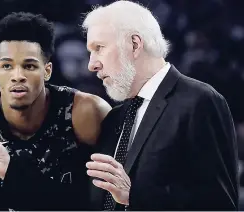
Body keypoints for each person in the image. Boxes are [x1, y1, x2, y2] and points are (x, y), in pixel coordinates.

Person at [82, 1, 239, 210]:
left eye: (99, 48)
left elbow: (220, 205)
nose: (91, 64)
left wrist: (134, 195)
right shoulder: (116, 118)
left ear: (135, 44)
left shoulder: (200, 101)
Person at [0, 12, 111, 211]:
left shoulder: (86, 113)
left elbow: (109, 201)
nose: (18, 76)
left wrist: (8, 170)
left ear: (47, 71)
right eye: (7, 66)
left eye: (29, 66)